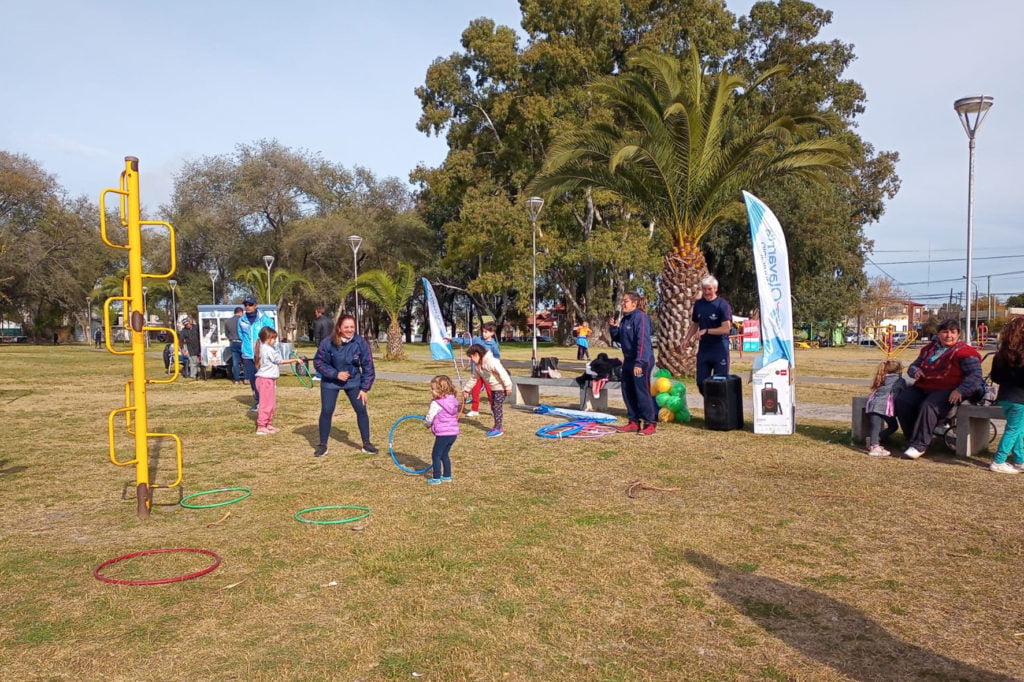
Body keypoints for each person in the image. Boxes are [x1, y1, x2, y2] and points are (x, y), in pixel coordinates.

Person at [894, 319, 984, 459]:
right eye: (945, 332)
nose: (949, 335)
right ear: (938, 334)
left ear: (958, 334)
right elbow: (914, 365)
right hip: (924, 386)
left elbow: (975, 375)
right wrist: (915, 371)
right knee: (902, 401)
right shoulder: (929, 349)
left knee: (929, 406)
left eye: (953, 332)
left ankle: (920, 445)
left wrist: (961, 390)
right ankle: (911, 438)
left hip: (950, 389)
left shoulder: (966, 352)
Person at [313, 314, 377, 457]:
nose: (349, 330)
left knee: (361, 410)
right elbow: (318, 362)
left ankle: (366, 443)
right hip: (331, 382)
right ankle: (322, 445)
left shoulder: (360, 342)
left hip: (353, 381)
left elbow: (368, 366)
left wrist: (364, 388)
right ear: (339, 328)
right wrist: (335, 374)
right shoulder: (327, 342)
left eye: (352, 327)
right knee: (326, 411)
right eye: (346, 327)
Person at [609, 291, 658, 435]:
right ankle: (633, 422)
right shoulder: (625, 319)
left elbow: (642, 341)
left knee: (641, 391)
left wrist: (639, 363)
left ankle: (650, 423)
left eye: (625, 301)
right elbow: (619, 338)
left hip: (642, 360)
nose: (622, 304)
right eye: (622, 301)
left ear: (634, 303)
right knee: (627, 390)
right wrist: (613, 328)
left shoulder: (641, 318)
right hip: (628, 360)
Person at [683, 275, 733, 395]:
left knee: (720, 383)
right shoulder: (699, 304)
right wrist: (686, 339)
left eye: (709, 289)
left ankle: (718, 405)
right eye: (704, 289)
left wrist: (706, 331)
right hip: (704, 350)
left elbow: (726, 328)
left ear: (715, 289)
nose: (706, 292)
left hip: (720, 349)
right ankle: (711, 402)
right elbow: (695, 324)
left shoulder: (723, 305)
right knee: (701, 383)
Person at [988, 316, 1024, 473]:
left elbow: (995, 377)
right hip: (1020, 399)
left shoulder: (1000, 354)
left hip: (1004, 397)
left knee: (1018, 429)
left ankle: (1020, 460)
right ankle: (999, 461)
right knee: (1013, 429)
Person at [253, 326, 302, 435]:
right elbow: (280, 361)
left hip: (266, 379)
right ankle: (261, 426)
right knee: (266, 404)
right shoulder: (268, 349)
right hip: (265, 380)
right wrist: (295, 360)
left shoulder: (263, 348)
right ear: (267, 338)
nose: (275, 341)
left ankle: (268, 424)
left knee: (271, 403)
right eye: (273, 338)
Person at [447, 322, 501, 417]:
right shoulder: (477, 340)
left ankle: (494, 409)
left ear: (492, 333)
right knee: (475, 390)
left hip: (488, 372)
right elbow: (465, 341)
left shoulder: (494, 345)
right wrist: (452, 339)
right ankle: (474, 409)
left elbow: (496, 358)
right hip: (477, 371)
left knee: (490, 391)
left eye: (486, 332)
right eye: (483, 331)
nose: (484, 334)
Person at [462, 343, 513, 437]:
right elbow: (474, 379)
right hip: (494, 388)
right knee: (493, 406)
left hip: (501, 388)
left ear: (477, 354)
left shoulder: (492, 362)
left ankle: (498, 428)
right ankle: (496, 426)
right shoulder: (478, 366)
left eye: (471, 357)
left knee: (497, 407)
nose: (471, 360)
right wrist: (466, 389)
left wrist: (508, 386)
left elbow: (503, 373)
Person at [238, 296, 275, 412]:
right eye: (245, 305)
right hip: (248, 354)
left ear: (255, 306)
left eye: (250, 304)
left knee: (263, 378)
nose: (247, 307)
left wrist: (263, 347)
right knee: (253, 379)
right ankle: (258, 400)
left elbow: (271, 334)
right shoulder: (241, 320)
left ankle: (265, 401)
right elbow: (241, 335)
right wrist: (247, 346)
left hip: (261, 354)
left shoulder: (265, 319)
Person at [864, 359, 906, 457]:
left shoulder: (881, 377)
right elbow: (903, 391)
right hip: (884, 407)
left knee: (878, 427)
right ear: (899, 370)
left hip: (875, 405)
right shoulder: (899, 381)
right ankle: (874, 447)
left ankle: (874, 441)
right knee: (890, 426)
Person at [424, 375, 460, 484]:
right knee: (444, 454)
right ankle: (447, 476)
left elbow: (430, 417)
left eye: (433, 389)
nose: (431, 391)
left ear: (441, 390)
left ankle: (436, 477)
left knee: (436, 455)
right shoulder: (452, 400)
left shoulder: (436, 403)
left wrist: (426, 424)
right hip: (453, 434)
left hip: (443, 434)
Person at [311, 307, 333, 381]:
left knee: (319, 360)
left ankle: (319, 375)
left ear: (319, 312)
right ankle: (329, 373)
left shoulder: (318, 322)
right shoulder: (330, 321)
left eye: (316, 312)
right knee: (329, 359)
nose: (315, 314)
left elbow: (317, 335)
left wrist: (318, 345)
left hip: (322, 343)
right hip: (331, 342)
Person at [224, 306, 244, 384]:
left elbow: (226, 334)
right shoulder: (243, 320)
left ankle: (236, 380)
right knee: (245, 361)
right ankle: (246, 379)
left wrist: (231, 338)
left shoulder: (228, 321)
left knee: (235, 362)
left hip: (233, 342)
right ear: (241, 312)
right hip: (242, 342)